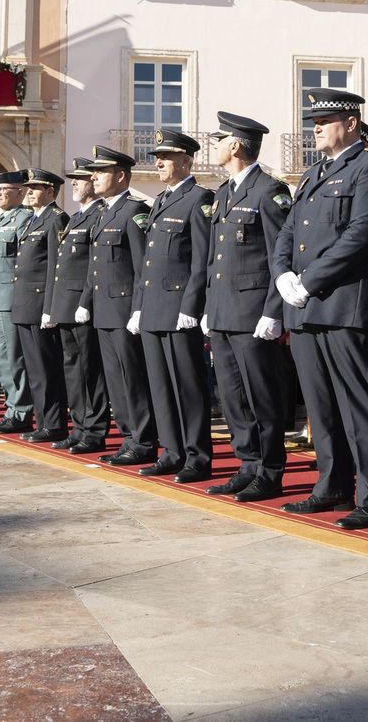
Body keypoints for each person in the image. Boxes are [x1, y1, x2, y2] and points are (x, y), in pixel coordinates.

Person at [271, 90, 368, 528]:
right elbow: (287, 232)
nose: (315, 127)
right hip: (305, 307)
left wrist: (308, 280)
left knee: (358, 404)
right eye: (314, 120)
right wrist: (283, 274)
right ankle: (333, 485)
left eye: (324, 120)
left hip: (344, 304)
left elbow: (360, 235)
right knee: (320, 406)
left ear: (351, 123)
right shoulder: (311, 175)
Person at [203, 112, 292, 503]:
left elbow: (280, 258)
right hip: (223, 311)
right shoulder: (223, 193)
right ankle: (247, 465)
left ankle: (269, 471)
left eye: (220, 138)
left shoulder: (269, 191)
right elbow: (214, 258)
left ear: (236, 145)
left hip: (253, 314)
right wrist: (208, 304)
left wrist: (273, 312)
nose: (215, 144)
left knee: (262, 397)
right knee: (232, 397)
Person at [131, 130, 215, 483]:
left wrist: (191, 305)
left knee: (188, 385)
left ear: (185, 161)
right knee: (161, 385)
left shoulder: (199, 199)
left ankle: (197, 455)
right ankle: (172, 451)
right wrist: (138, 306)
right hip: (152, 307)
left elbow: (202, 259)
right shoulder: (160, 201)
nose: (159, 163)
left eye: (165, 158)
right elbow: (147, 261)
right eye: (157, 158)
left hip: (179, 307)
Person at [75, 145, 159, 465]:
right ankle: (128, 437)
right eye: (93, 172)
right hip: (103, 310)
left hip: (124, 310)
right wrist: (87, 302)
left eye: (101, 172)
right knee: (115, 379)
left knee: (131, 377)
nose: (94, 177)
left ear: (120, 176)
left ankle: (143, 439)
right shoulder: (104, 212)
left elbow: (142, 268)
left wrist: (138, 308)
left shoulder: (133, 211)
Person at [47, 157, 112, 454]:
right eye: (72, 178)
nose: (74, 182)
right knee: (73, 369)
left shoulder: (99, 214)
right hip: (65, 303)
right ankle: (80, 426)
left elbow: (93, 267)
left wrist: (85, 301)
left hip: (82, 305)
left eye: (80, 178)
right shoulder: (76, 217)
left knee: (90, 370)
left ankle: (95, 430)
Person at [10, 169, 70, 443]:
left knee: (47, 369)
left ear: (50, 191)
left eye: (35, 187)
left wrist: (50, 308)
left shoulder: (56, 219)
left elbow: (55, 268)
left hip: (39, 305)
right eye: (28, 187)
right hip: (24, 304)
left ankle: (54, 423)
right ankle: (43, 420)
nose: (29, 191)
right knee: (34, 369)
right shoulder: (33, 220)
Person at [0, 172, 33, 432]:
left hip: (9, 299)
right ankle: (11, 409)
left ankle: (22, 411)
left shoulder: (24, 219)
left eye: (5, 189)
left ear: (20, 192)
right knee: (2, 359)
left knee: (14, 358)